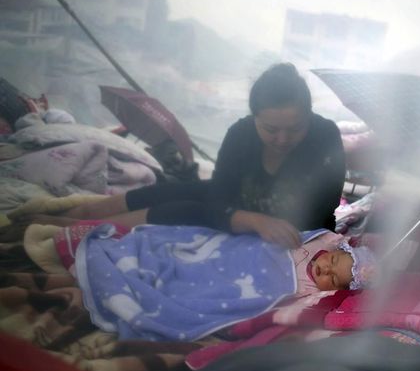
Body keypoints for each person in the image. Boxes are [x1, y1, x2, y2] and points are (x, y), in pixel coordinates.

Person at [56, 63, 346, 249]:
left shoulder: (325, 137)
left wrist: (259, 222)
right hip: (237, 206)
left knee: (181, 210)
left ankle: (71, 232)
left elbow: (322, 212)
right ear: (254, 117)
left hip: (268, 220)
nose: (282, 139)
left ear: (309, 116)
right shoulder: (241, 134)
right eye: (271, 129)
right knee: (166, 192)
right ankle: (61, 218)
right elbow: (221, 197)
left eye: (294, 129)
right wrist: (254, 219)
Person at [41, 222, 376, 341]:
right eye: (332, 262)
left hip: (255, 286)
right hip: (238, 260)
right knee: (184, 255)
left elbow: (292, 305)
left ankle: (142, 293)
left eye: (333, 278)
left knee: (196, 293)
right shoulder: (311, 245)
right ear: (331, 251)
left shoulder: (307, 291)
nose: (326, 271)